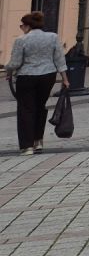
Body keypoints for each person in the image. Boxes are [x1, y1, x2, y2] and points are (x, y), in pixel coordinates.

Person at [5, 12, 68, 154]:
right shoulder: (53, 37)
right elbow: (59, 59)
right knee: (40, 107)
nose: (21, 28)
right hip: (48, 76)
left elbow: (15, 62)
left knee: (26, 110)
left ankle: (27, 146)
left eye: (22, 26)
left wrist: (8, 71)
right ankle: (38, 141)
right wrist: (65, 78)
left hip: (26, 77)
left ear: (27, 26)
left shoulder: (21, 40)